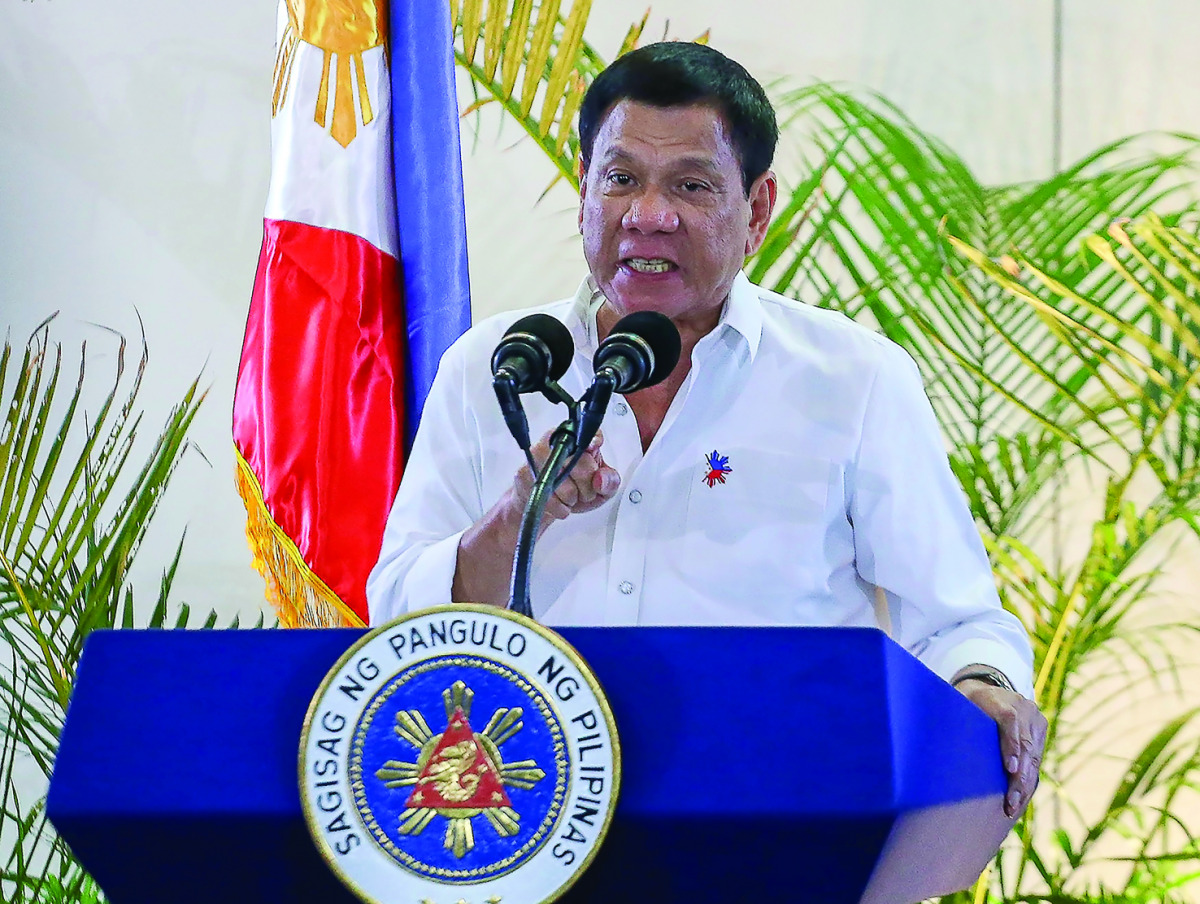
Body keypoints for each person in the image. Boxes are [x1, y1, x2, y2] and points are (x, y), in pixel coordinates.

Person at [368, 41, 1046, 818]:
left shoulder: (851, 379)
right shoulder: (496, 367)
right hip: (524, 829)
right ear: (583, 190)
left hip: (776, 825)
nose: (648, 215)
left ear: (757, 211)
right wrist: (522, 511)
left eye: (690, 185)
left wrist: (987, 686)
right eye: (620, 179)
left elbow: (958, 619)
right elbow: (397, 624)